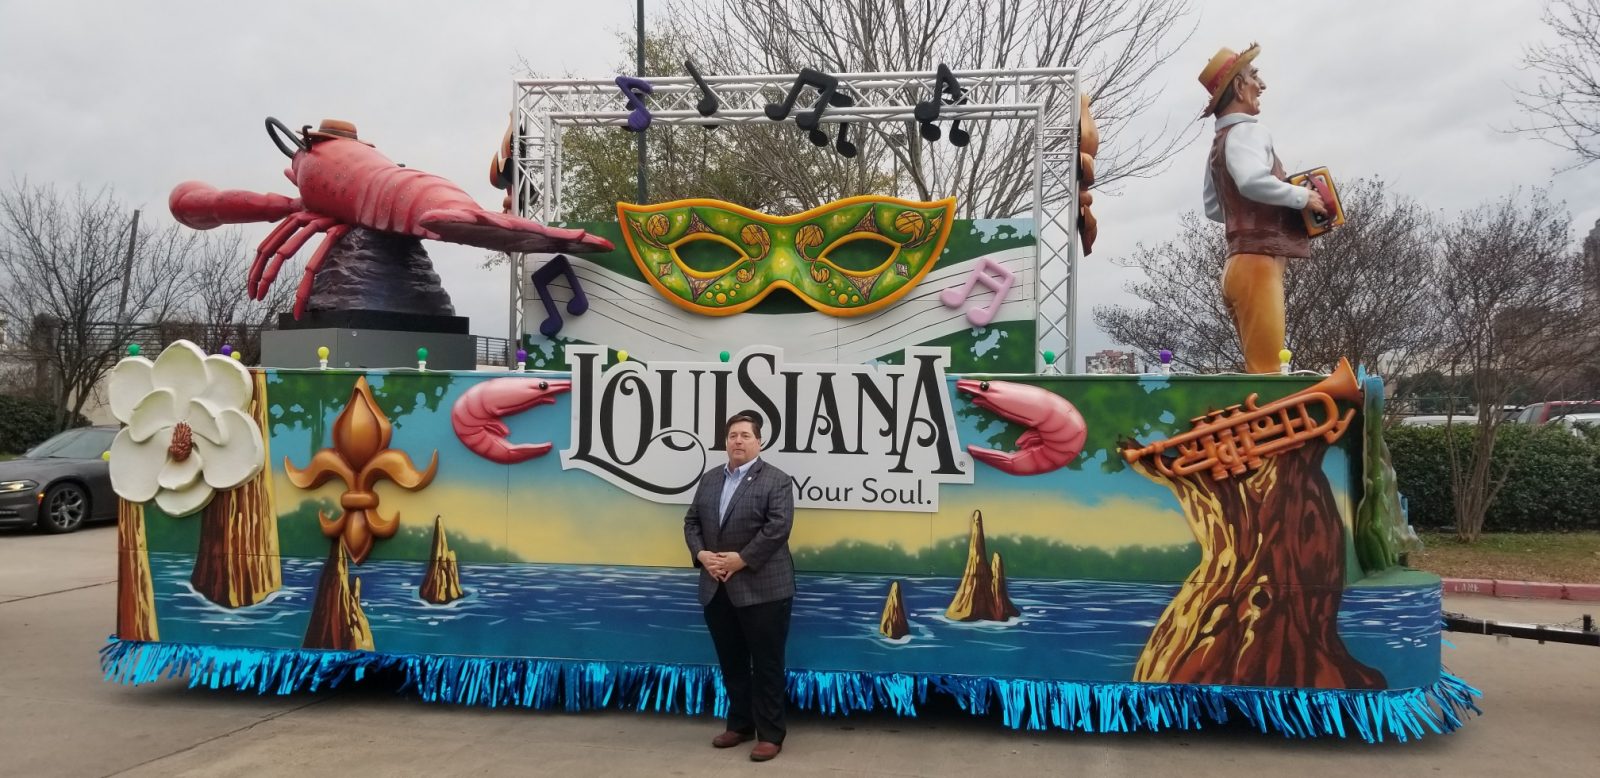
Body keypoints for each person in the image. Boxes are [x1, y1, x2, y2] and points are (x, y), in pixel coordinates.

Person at [1199, 43, 1329, 373]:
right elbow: (1250, 181)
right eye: (1254, 75)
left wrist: (1253, 214)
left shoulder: (1221, 141)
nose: (1262, 84)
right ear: (1240, 87)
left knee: (1261, 365)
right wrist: (1302, 198)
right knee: (1269, 371)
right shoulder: (1247, 132)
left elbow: (1215, 208)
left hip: (1238, 265)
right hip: (1258, 263)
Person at [683, 410, 795, 762]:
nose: (738, 441)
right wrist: (701, 554)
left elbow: (778, 527)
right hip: (716, 587)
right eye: (733, 435)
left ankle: (771, 734)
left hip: (763, 589)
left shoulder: (776, 480)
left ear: (759, 441)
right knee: (732, 662)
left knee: (766, 663)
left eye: (745, 435)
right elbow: (691, 522)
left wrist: (740, 560)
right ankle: (741, 723)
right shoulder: (711, 479)